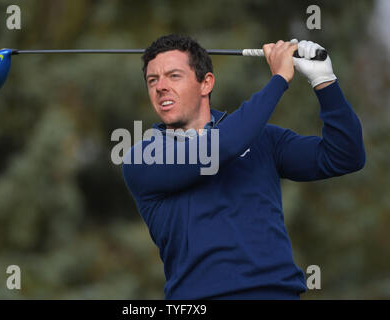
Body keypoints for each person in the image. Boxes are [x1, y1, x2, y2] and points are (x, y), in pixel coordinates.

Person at [122, 34, 365, 299]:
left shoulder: (263, 139)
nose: (161, 87)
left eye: (174, 76)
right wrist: (279, 79)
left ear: (206, 83)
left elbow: (345, 156)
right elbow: (221, 147)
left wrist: (324, 82)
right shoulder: (144, 157)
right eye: (152, 80)